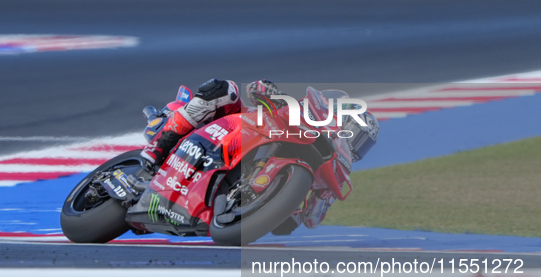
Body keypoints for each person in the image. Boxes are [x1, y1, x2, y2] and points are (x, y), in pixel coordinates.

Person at [139, 78, 378, 232]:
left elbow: (305, 221)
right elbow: (256, 87)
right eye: (356, 134)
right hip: (234, 128)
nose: (355, 145)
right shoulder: (299, 113)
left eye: (362, 144)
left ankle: (227, 196)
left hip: (235, 186)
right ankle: (157, 148)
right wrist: (269, 91)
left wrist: (303, 205)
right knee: (226, 89)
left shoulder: (332, 176)